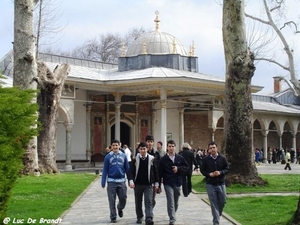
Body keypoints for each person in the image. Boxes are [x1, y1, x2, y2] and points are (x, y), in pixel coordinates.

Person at [158, 140, 189, 225]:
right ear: (167, 148)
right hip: (168, 182)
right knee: (170, 201)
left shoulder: (180, 157)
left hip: (178, 182)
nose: (171, 148)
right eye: (169, 146)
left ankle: (173, 213)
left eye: (172, 146)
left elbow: (186, 167)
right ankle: (172, 218)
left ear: (175, 147)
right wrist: (159, 185)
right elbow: (160, 172)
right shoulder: (163, 159)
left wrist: (178, 169)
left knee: (176, 201)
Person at [129, 142, 159, 225]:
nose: (142, 150)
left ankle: (149, 217)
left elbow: (155, 171)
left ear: (147, 149)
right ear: (139, 150)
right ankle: (139, 216)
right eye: (141, 149)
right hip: (138, 184)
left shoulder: (151, 159)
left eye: (144, 149)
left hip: (148, 184)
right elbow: (131, 171)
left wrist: (157, 182)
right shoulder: (135, 159)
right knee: (138, 201)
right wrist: (131, 180)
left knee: (149, 201)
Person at [101, 139, 131, 223]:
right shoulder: (108, 157)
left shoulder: (123, 156)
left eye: (116, 145)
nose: (115, 147)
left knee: (123, 198)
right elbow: (105, 170)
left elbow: (127, 169)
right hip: (111, 181)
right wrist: (103, 181)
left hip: (121, 181)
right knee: (111, 200)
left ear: (119, 146)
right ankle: (113, 216)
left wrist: (130, 180)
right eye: (113, 145)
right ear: (111, 147)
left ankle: (120, 208)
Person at [200, 141, 229, 225]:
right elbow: (203, 170)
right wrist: (209, 174)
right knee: (213, 202)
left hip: (221, 183)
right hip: (210, 184)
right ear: (208, 150)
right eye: (210, 148)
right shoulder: (206, 159)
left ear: (217, 148)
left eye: (214, 147)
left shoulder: (222, 158)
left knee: (223, 201)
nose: (212, 149)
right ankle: (216, 221)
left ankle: (217, 214)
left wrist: (220, 172)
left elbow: (227, 168)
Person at [145, 135, 161, 208]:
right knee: (147, 198)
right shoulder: (143, 152)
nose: (150, 143)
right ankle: (149, 213)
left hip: (154, 179)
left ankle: (150, 211)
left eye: (151, 142)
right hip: (145, 179)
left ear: (153, 143)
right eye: (148, 142)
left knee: (152, 198)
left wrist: (159, 183)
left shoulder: (156, 154)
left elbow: (159, 167)